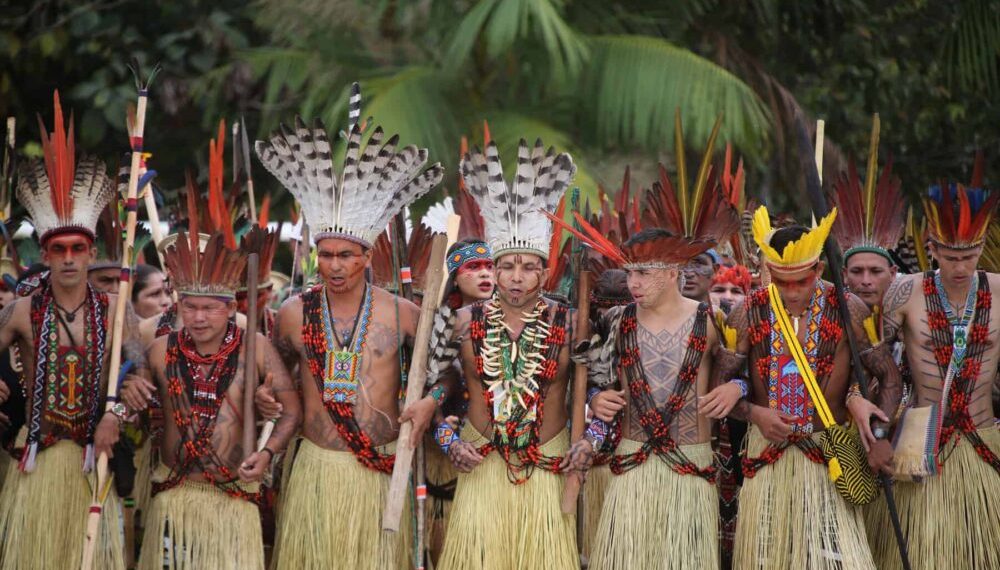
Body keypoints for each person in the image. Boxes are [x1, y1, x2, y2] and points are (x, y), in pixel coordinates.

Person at [256, 82, 443, 570]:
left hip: (378, 471)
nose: (334, 265)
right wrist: (267, 397)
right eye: (326, 255)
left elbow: (446, 370)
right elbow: (274, 377)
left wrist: (430, 401)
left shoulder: (402, 312)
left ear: (366, 256)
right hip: (315, 467)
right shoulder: (294, 312)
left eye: (345, 256)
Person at [405, 137, 585, 569]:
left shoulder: (573, 324)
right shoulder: (462, 322)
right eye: (506, 266)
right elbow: (440, 389)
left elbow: (598, 397)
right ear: (495, 268)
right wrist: (448, 441)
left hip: (546, 468)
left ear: (544, 271)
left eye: (527, 267)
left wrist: (590, 441)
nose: (516, 277)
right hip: (480, 461)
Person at [704, 206, 902, 569]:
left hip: (827, 457)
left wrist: (880, 433)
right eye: (781, 281)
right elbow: (722, 390)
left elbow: (888, 376)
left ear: (819, 270)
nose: (791, 292)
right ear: (768, 272)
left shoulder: (849, 308)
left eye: (801, 281)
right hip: (768, 461)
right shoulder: (747, 312)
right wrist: (755, 413)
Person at [0, 92, 142, 569]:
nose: (67, 259)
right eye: (57, 249)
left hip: (92, 464)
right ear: (44, 254)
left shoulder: (116, 310)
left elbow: (143, 377)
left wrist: (115, 413)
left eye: (76, 249)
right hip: (37, 460)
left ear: (90, 250)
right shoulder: (22, 311)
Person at [117, 232, 301, 570]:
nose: (199, 318)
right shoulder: (160, 349)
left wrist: (267, 452)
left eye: (209, 308)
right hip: (174, 497)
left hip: (235, 499)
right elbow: (128, 408)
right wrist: (123, 401)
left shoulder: (255, 347)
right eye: (190, 306)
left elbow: (291, 412)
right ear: (179, 304)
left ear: (231, 307)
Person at [856, 183, 1000, 570]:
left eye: (969, 257)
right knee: (917, 559)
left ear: (981, 247)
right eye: (950, 257)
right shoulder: (905, 292)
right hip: (921, 444)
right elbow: (875, 369)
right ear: (932, 248)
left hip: (983, 442)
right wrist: (877, 433)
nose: (959, 268)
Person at [578, 226, 726, 569]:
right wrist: (596, 398)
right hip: (632, 466)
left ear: (673, 272)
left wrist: (738, 388)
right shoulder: (616, 320)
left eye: (643, 273)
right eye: (630, 274)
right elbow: (590, 376)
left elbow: (744, 374)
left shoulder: (713, 319)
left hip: (691, 465)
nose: (633, 284)